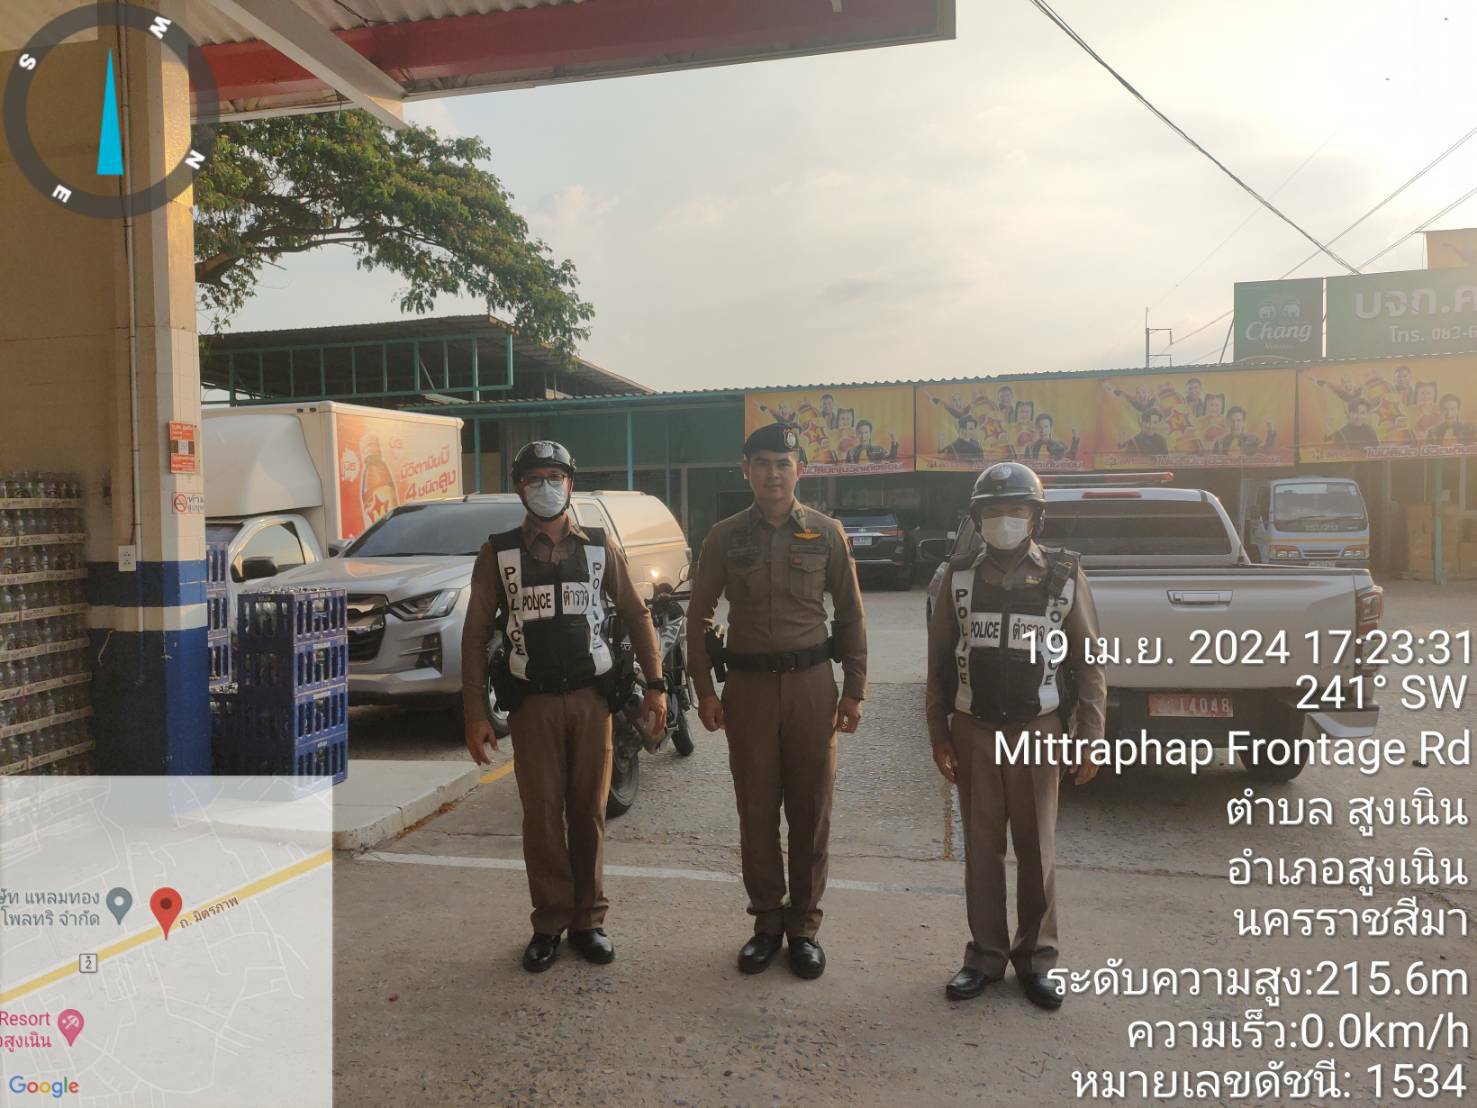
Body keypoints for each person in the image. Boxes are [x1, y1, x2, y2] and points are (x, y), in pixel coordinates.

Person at [462, 440, 668, 973]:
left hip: (590, 701)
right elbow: (475, 634)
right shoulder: (498, 552)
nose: (546, 487)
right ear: (519, 488)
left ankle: (588, 922)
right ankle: (549, 923)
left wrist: (657, 684)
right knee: (541, 818)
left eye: (555, 477)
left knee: (588, 813)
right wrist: (475, 713)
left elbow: (637, 614)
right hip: (531, 707)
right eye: (535, 478)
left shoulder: (599, 546)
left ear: (571, 484)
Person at [687, 422, 867, 980]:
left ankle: (804, 928)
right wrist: (705, 690)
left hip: (812, 686)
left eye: (783, 464)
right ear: (746, 470)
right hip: (749, 692)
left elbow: (851, 613)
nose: (773, 474)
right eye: (762, 463)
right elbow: (698, 616)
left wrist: (854, 689)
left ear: (799, 471)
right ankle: (766, 922)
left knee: (811, 810)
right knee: (757, 810)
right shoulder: (724, 537)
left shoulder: (827, 533)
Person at [925, 462, 1106, 1010]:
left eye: (1016, 510)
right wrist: (938, 734)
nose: (1004, 519)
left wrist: (1090, 734)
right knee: (981, 851)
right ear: (977, 518)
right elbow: (937, 665)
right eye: (994, 511)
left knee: (1036, 851)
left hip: (1037, 733)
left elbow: (1089, 662)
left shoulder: (1065, 575)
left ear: (1035, 518)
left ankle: (1036, 961)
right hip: (974, 730)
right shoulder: (957, 576)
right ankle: (984, 956)